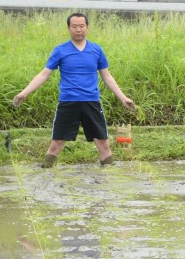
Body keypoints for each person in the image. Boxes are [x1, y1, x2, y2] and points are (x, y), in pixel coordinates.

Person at [12, 12, 135, 167]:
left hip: (91, 102)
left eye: (82, 26)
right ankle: (46, 172)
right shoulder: (60, 50)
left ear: (87, 28)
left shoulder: (96, 50)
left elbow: (107, 77)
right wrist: (24, 93)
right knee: (56, 142)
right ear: (69, 28)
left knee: (103, 142)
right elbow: (44, 74)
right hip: (68, 102)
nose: (78, 29)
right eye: (74, 26)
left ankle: (108, 177)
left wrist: (123, 97)